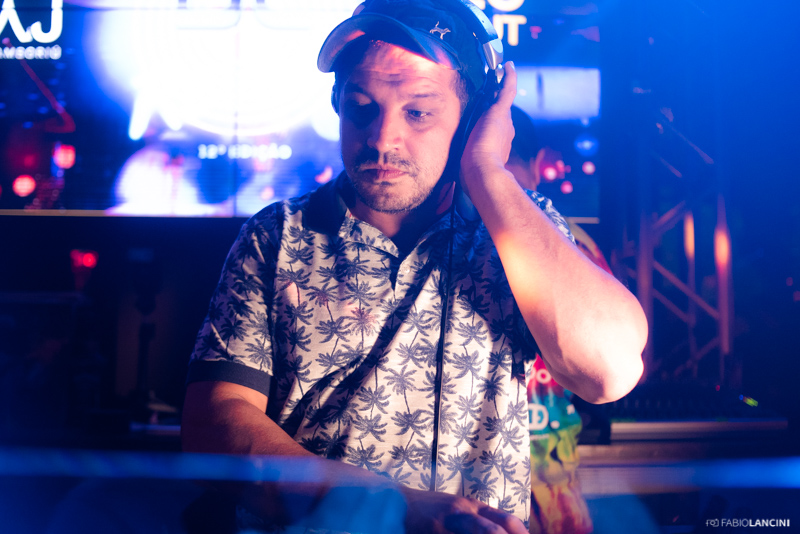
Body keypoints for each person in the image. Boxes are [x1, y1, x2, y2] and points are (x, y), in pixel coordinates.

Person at [181, 1, 647, 533]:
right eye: (360, 107)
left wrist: (486, 171)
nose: (382, 139)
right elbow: (212, 423)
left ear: (473, 120)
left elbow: (608, 371)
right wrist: (393, 507)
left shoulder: (515, 231)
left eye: (418, 112)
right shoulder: (277, 234)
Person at [507, 105, 610, 534]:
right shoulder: (575, 243)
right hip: (551, 468)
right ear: (537, 160)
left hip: (460, 483)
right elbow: (610, 363)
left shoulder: (447, 236)